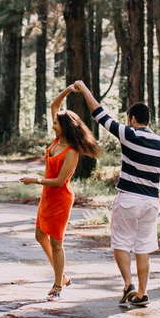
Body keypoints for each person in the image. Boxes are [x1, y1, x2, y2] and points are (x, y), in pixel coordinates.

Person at [72, 80, 160, 308]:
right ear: (148, 120)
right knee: (144, 247)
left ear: (132, 119)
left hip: (128, 198)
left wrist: (84, 89)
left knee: (121, 243)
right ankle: (142, 293)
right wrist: (158, 199)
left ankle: (128, 284)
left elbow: (99, 115)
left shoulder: (128, 134)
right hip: (150, 203)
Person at [20, 83, 103, 300]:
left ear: (64, 126)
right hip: (47, 196)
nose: (53, 125)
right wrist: (69, 89)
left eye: (56, 123)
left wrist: (35, 180)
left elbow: (58, 181)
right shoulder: (58, 140)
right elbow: (54, 104)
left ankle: (58, 287)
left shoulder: (72, 151)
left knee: (56, 243)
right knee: (40, 236)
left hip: (60, 197)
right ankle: (62, 275)